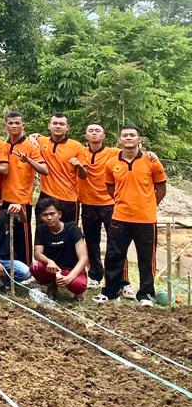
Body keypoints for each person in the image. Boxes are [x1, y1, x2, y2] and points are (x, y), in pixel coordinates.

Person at [100, 125, 167, 306]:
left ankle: (145, 294)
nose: (128, 138)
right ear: (119, 140)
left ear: (139, 140)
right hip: (120, 217)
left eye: (132, 135)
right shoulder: (111, 163)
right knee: (114, 255)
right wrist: (122, 201)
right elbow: (110, 187)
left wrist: (149, 205)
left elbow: (161, 188)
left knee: (145, 257)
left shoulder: (152, 161)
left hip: (145, 219)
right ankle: (110, 291)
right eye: (125, 135)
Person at [2, 111, 48, 261]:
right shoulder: (2, 145)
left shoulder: (30, 146)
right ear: (5, 126)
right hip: (2, 199)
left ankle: (27, 268)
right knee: (6, 236)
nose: (14, 126)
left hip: (21, 199)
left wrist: (29, 160)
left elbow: (44, 170)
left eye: (17, 123)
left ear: (23, 125)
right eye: (11, 123)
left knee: (23, 238)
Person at [78, 123, 120, 288]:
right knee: (91, 242)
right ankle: (95, 275)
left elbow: (135, 154)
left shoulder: (113, 153)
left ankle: (118, 279)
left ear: (104, 136)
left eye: (98, 131)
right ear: (86, 135)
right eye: (91, 131)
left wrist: (149, 153)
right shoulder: (80, 151)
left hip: (109, 203)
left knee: (115, 242)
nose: (94, 133)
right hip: (88, 204)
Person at [30, 113, 86, 222]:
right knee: (42, 232)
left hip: (68, 199)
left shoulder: (77, 146)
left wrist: (79, 166)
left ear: (67, 127)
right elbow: (29, 138)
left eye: (62, 124)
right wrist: (32, 137)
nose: (58, 126)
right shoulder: (41, 142)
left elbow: (83, 176)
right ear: (49, 126)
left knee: (69, 233)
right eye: (55, 123)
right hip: (46, 195)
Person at [32, 197, 90, 300]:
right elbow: (37, 254)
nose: (49, 218)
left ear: (59, 214)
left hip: (70, 269)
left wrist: (69, 278)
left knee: (79, 285)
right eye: (45, 215)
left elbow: (84, 258)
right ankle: (52, 285)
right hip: (53, 269)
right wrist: (49, 261)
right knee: (35, 267)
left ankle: (77, 292)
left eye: (52, 214)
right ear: (41, 217)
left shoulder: (73, 229)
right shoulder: (41, 230)